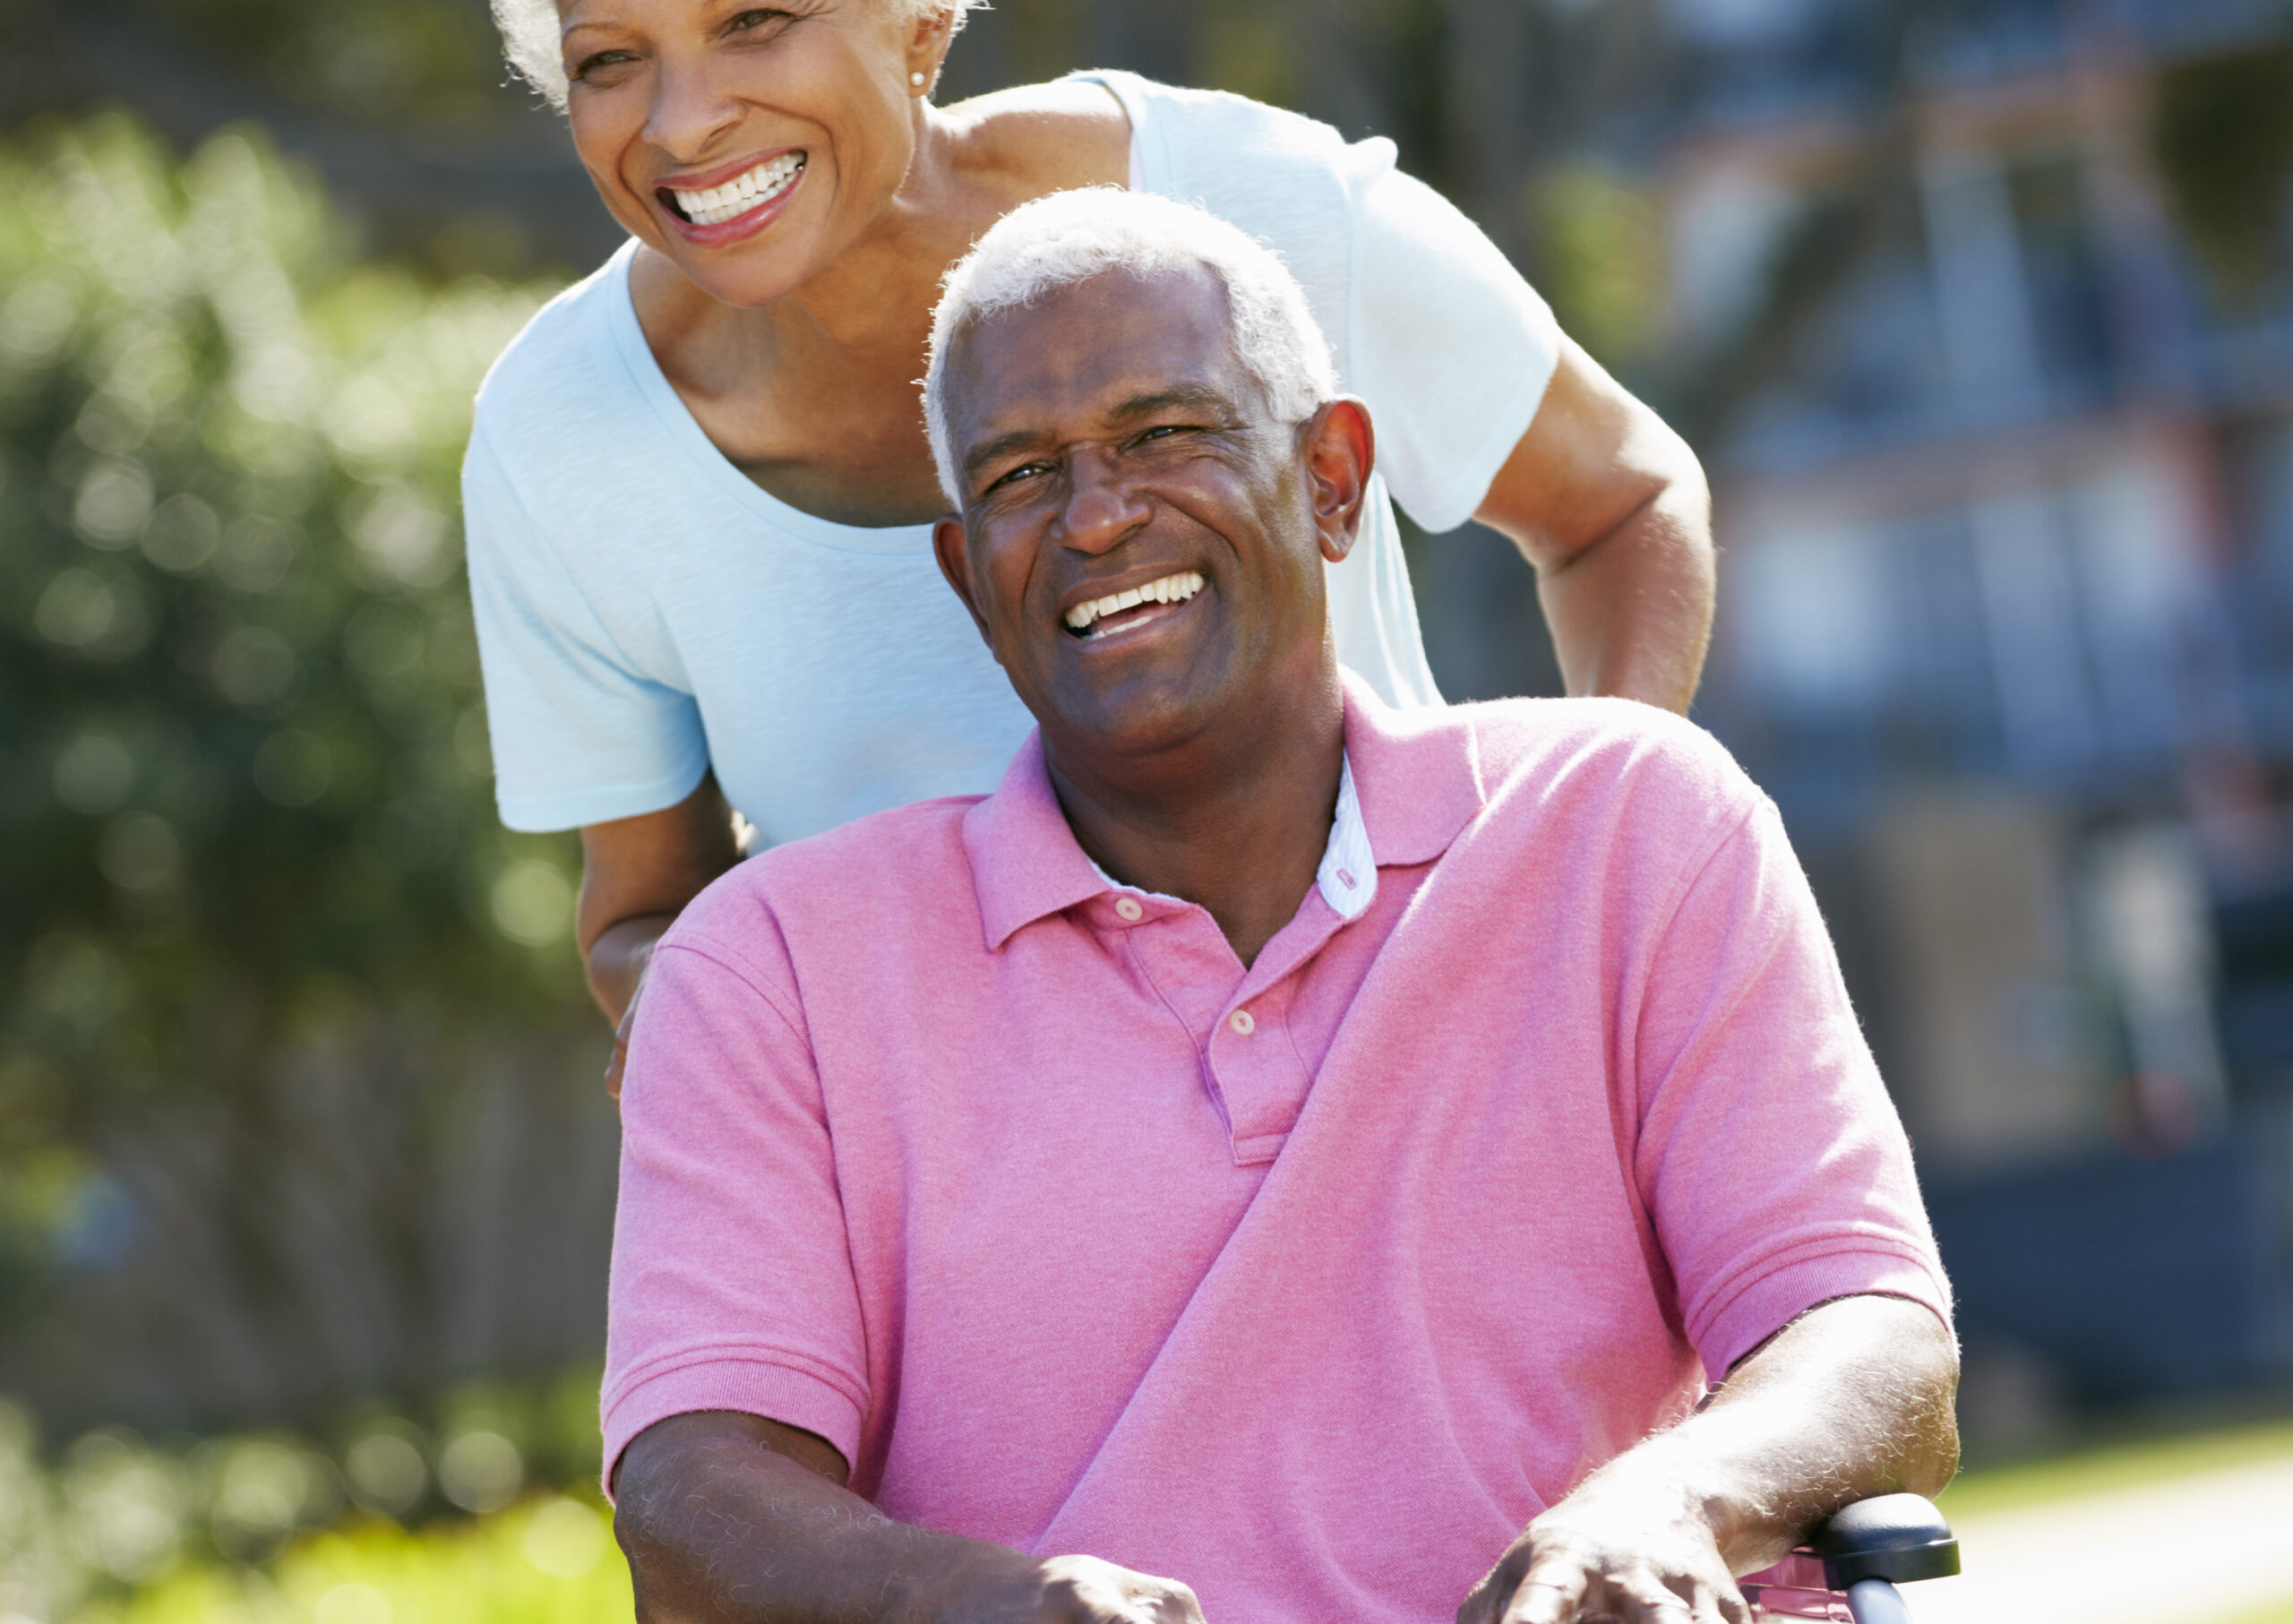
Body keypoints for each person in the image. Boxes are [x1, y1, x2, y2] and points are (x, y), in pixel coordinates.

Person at [600, 189, 1956, 1624]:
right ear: (966, 578)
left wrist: (1669, 1497)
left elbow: (1867, 1336)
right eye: (1018, 476)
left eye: (1163, 435)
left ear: (1332, 477)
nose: (1099, 515)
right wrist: (974, 1603)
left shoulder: (1632, 823)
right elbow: (691, 1487)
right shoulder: (768, 971)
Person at [465, 0, 1717, 1085]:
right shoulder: (561, 434)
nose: (680, 125)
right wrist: (772, 1056)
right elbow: (644, 921)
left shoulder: (1242, 205)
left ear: (923, 23)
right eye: (609, 57)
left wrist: (1578, 890)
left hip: (1404, 1084)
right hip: (970, 1235)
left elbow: (1622, 500)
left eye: (756, 20)